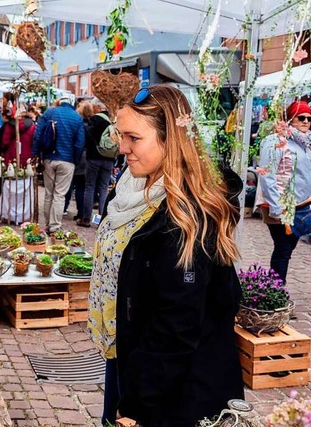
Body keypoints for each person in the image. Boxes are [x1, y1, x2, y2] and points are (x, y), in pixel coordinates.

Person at [88, 84, 243, 427]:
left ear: (169, 139)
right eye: (120, 135)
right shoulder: (132, 186)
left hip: (171, 387)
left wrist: (139, 403)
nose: (122, 147)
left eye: (133, 138)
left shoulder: (186, 216)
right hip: (126, 353)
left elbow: (177, 325)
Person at [256, 100, 311, 283]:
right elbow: (267, 175)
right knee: (283, 250)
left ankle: (273, 290)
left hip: (300, 205)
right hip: (281, 205)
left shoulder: (307, 144)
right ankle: (275, 293)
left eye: (309, 118)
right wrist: (276, 207)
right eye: (301, 117)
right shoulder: (276, 141)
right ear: (291, 118)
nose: (306, 121)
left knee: (286, 250)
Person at [33, 96, 85, 234]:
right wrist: (75, 159)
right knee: (60, 194)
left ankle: (47, 224)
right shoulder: (77, 117)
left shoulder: (49, 113)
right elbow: (80, 143)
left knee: (49, 193)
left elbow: (38, 135)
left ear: (59, 102)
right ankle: (55, 226)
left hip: (49, 158)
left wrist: (36, 153)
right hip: (67, 160)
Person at [78, 99, 113, 227]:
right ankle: (101, 221)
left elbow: (87, 138)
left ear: (98, 107)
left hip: (93, 157)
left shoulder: (94, 120)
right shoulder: (111, 120)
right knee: (103, 188)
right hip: (109, 158)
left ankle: (86, 219)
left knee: (90, 187)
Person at [63, 101, 92, 218]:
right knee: (81, 187)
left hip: (77, 156)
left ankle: (64, 207)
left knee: (70, 184)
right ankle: (80, 212)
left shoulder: (77, 123)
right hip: (87, 158)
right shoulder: (91, 124)